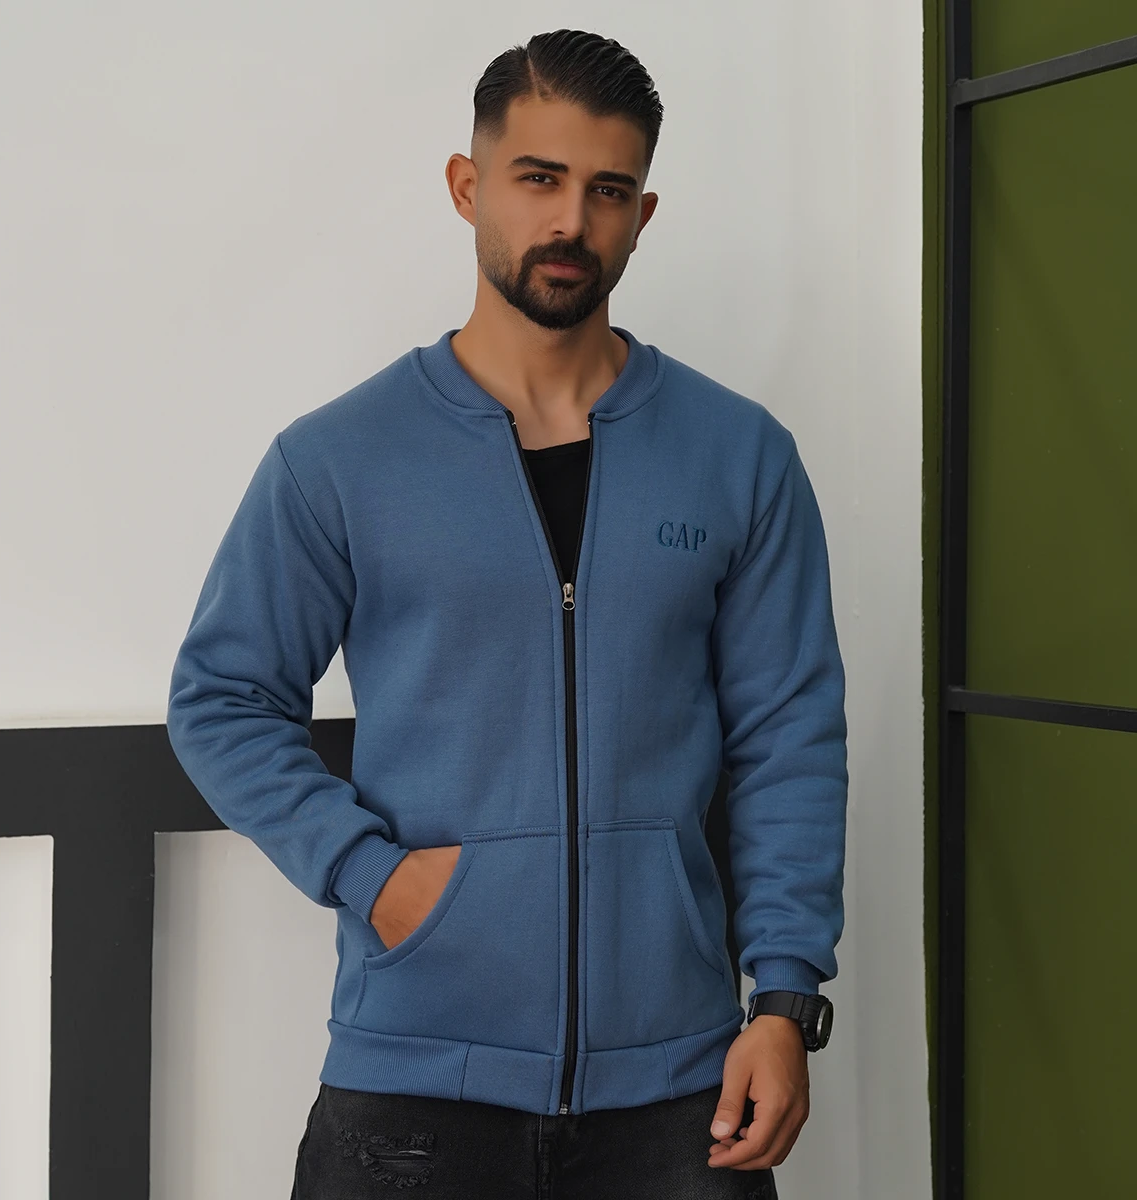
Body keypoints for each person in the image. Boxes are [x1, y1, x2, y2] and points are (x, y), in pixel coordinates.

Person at [167, 27, 847, 1200]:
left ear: (642, 214)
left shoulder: (738, 457)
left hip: (675, 1089)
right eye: (538, 178)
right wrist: (374, 878)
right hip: (413, 1087)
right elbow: (221, 698)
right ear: (467, 185)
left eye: (608, 190)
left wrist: (784, 999)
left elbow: (789, 736)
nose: (571, 221)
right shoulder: (341, 459)